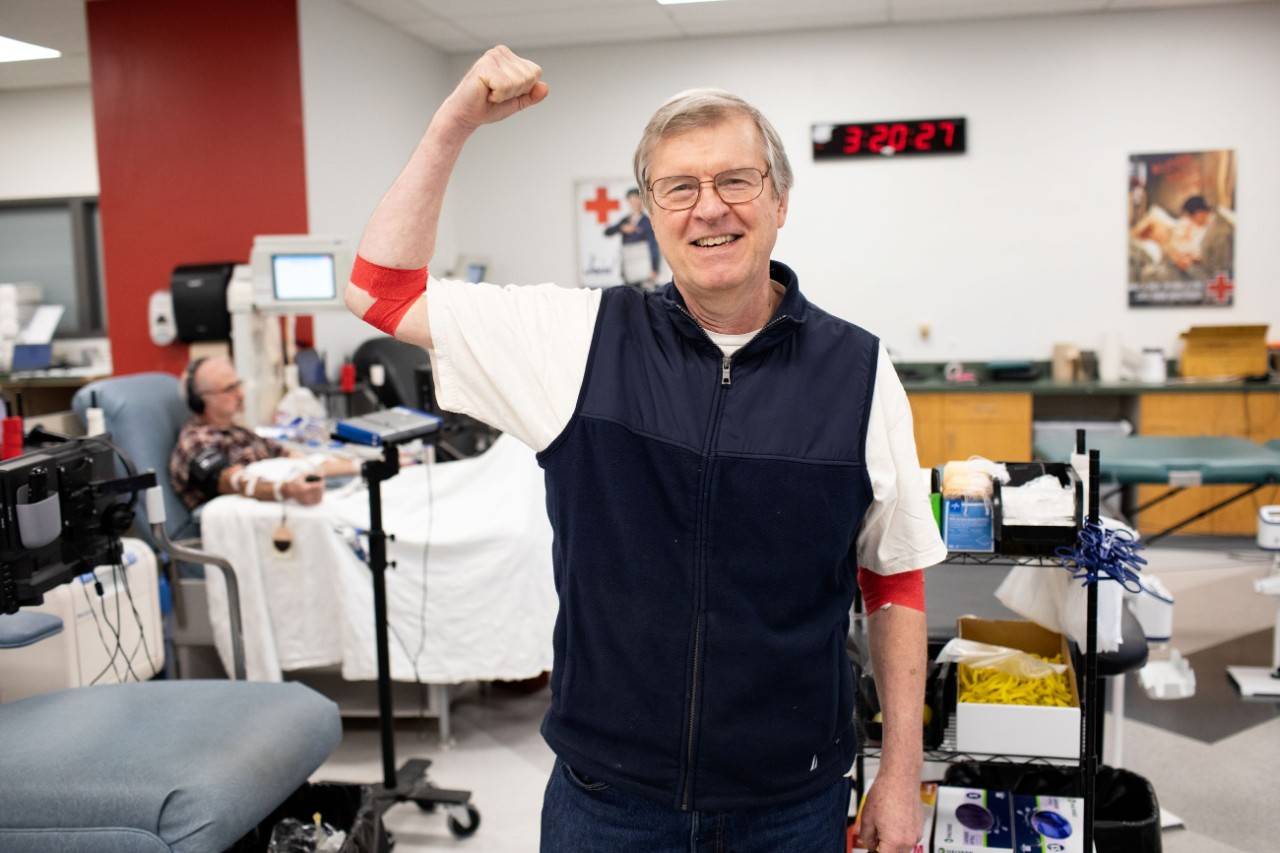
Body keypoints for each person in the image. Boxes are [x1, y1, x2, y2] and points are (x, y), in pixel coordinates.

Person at [345, 46, 945, 853]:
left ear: (780, 201)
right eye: (680, 187)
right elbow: (381, 288)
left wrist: (900, 777)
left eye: (736, 180)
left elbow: (893, 571)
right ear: (650, 211)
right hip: (609, 804)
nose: (710, 208)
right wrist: (456, 121)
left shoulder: (859, 371)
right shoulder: (576, 341)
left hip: (792, 803)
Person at [168, 355, 358, 510]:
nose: (241, 394)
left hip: (278, 501)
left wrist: (360, 467)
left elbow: (296, 460)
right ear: (200, 400)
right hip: (244, 516)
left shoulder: (240, 432)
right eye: (229, 389)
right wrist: (287, 489)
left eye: (238, 385)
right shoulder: (196, 442)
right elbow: (233, 481)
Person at [603, 187, 660, 290]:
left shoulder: (647, 221)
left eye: (637, 199)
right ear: (628, 201)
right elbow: (607, 232)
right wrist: (622, 228)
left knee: (644, 293)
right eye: (631, 200)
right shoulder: (625, 220)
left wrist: (654, 268)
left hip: (644, 263)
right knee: (629, 293)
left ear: (642, 201)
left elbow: (653, 246)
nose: (634, 203)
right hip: (628, 264)